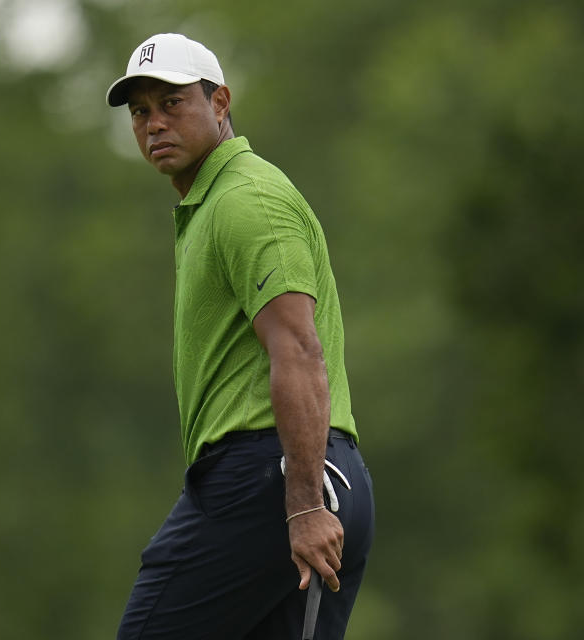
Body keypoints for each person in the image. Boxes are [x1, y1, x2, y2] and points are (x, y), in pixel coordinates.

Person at [106, 33, 375, 639]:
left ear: (220, 101)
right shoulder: (212, 204)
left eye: (172, 103)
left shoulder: (246, 199)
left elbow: (300, 351)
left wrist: (303, 503)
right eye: (140, 111)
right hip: (312, 473)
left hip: (273, 477)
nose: (154, 124)